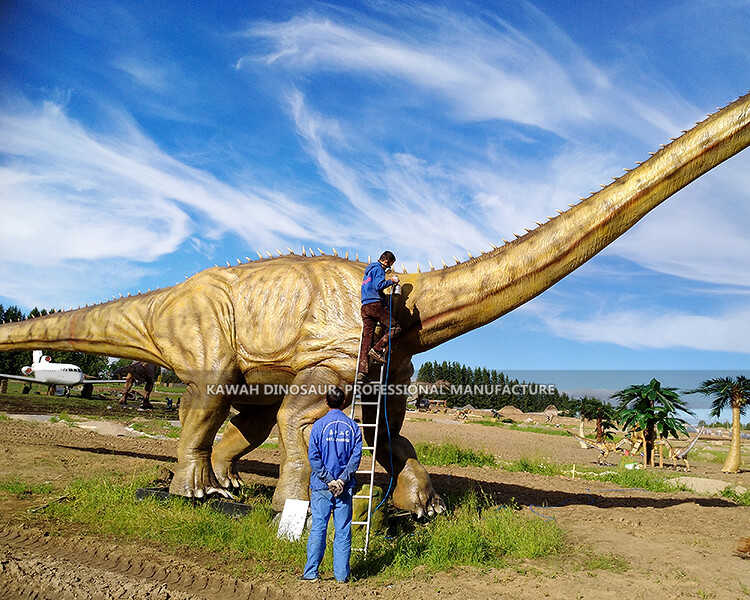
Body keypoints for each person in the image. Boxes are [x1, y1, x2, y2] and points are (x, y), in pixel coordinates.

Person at [302, 386, 363, 583]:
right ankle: (341, 576)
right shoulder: (353, 427)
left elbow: (314, 456)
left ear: (326, 402)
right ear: (344, 402)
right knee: (343, 529)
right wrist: (342, 480)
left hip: (322, 487)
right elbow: (355, 458)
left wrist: (329, 480)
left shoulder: (318, 426)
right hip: (344, 488)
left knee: (319, 527)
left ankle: (311, 573)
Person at [357, 250, 402, 382]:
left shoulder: (369, 271)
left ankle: (362, 372)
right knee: (395, 328)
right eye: (389, 265)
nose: (388, 268)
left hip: (365, 306)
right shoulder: (379, 269)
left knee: (367, 339)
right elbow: (379, 285)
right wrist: (392, 281)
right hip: (375, 306)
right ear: (386, 261)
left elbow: (371, 287)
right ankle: (377, 350)